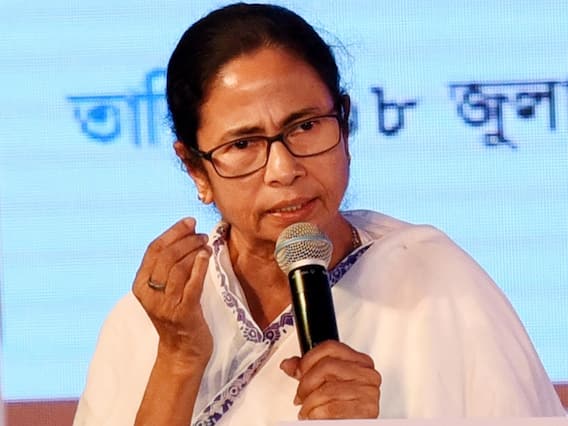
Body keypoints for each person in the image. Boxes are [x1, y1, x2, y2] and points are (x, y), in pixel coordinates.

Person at [73, 3, 565, 425]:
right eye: (243, 144)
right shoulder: (152, 321)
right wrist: (179, 360)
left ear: (344, 123)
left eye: (306, 126)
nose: (284, 169)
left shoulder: (435, 282)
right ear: (195, 168)